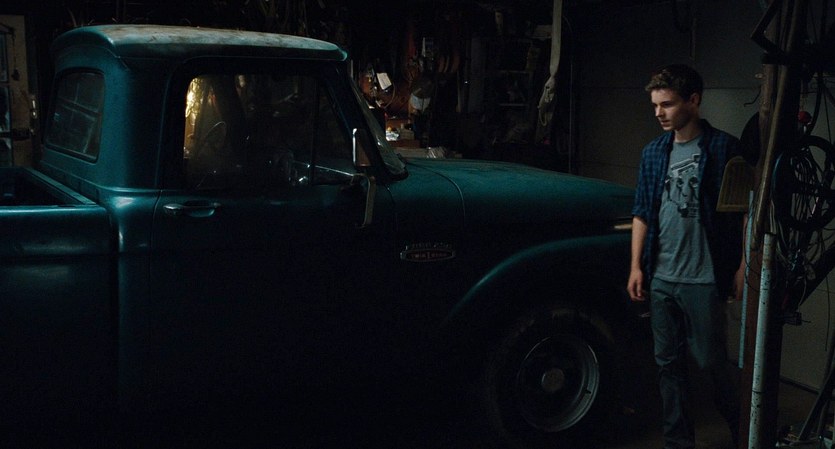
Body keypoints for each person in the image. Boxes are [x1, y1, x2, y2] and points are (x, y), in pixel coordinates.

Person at [627, 64, 746, 449]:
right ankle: (679, 443)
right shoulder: (653, 152)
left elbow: (745, 211)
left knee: (711, 362)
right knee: (668, 367)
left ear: (693, 101)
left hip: (703, 278)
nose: (658, 113)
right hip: (662, 277)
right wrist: (636, 266)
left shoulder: (724, 148)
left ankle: (743, 431)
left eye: (667, 104)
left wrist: (743, 265)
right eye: (655, 105)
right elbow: (642, 211)